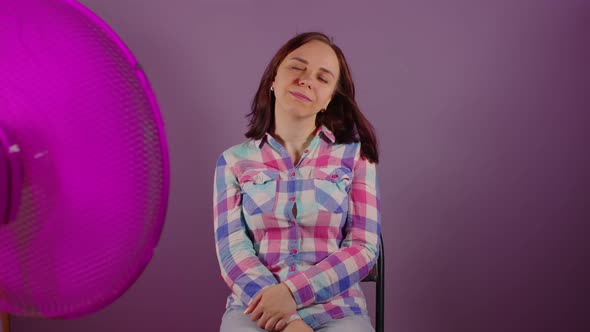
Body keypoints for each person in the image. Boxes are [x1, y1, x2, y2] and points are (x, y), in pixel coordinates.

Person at [213, 32, 380, 332]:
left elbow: (363, 248)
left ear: (329, 99)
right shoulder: (232, 162)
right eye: (297, 67)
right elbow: (233, 254)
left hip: (339, 312)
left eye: (322, 77)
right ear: (274, 78)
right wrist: (289, 322)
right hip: (254, 309)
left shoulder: (356, 159)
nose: (306, 80)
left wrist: (293, 293)